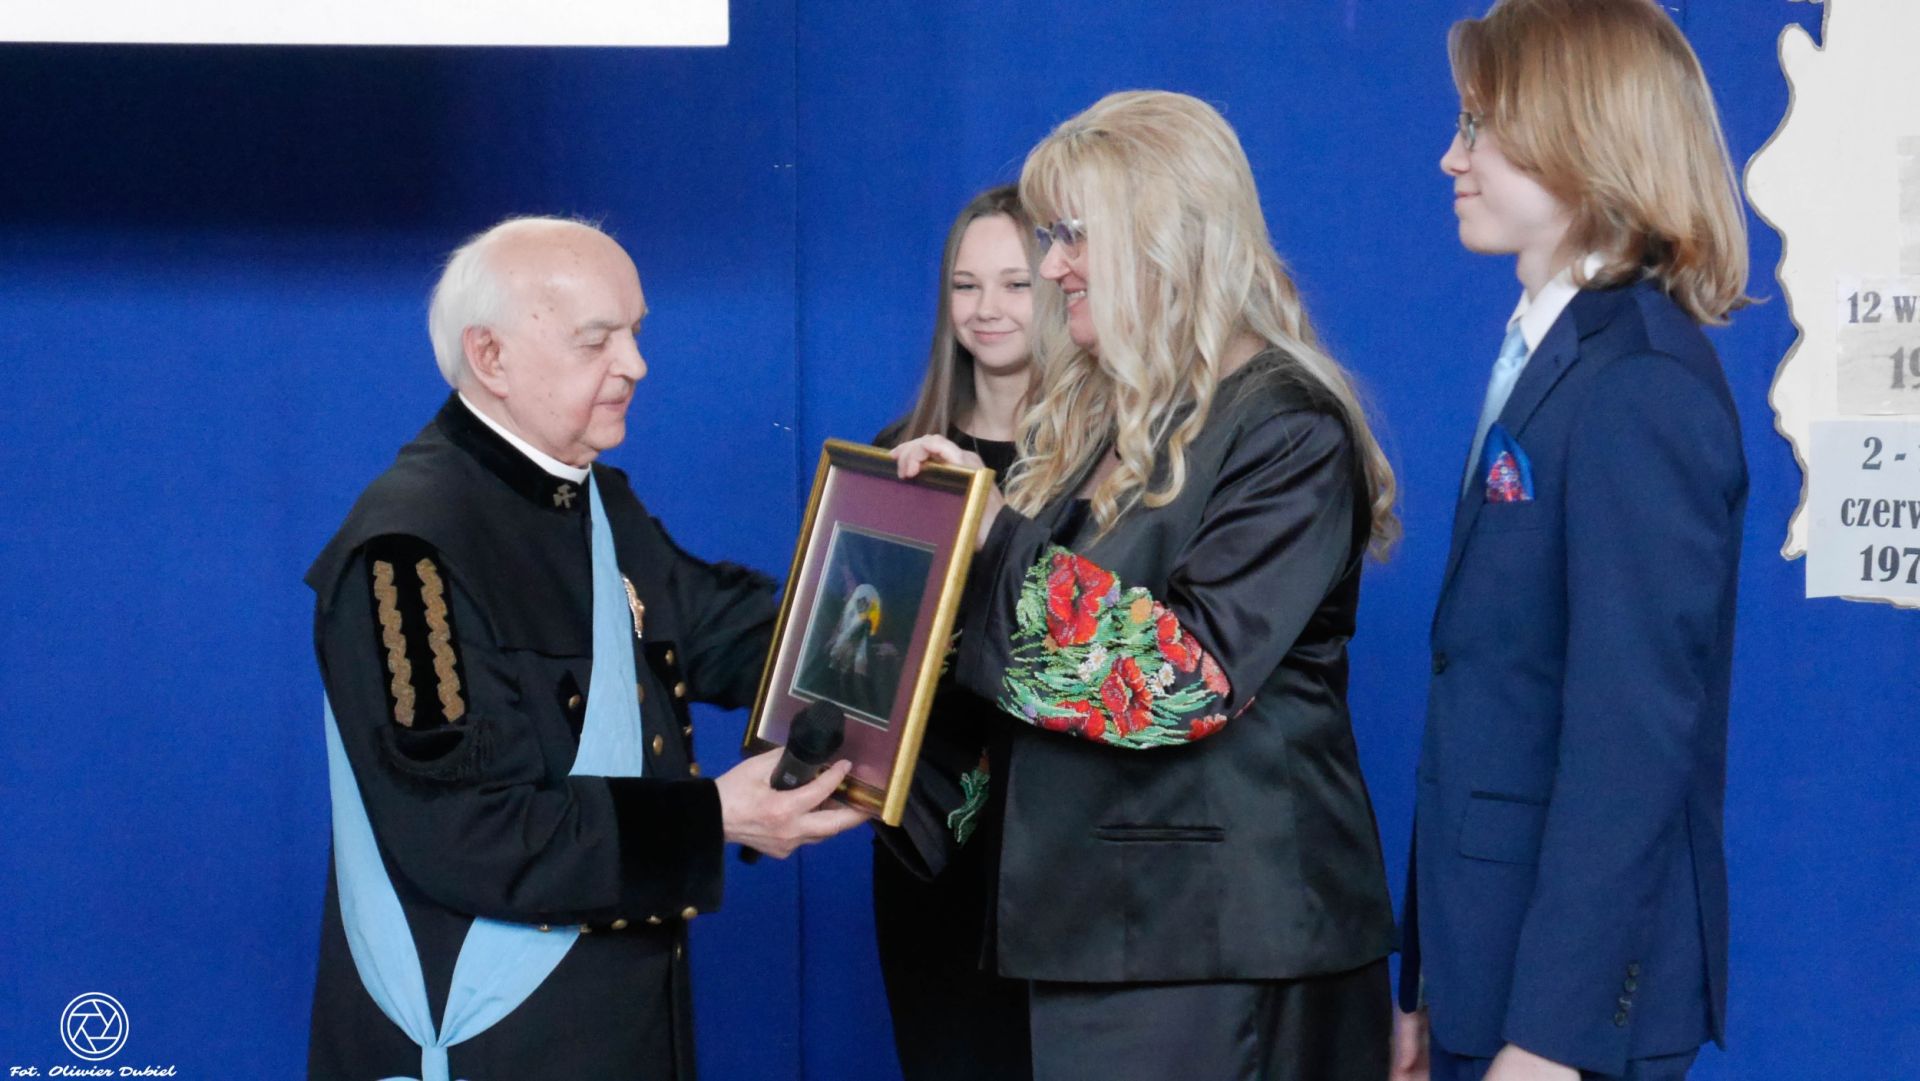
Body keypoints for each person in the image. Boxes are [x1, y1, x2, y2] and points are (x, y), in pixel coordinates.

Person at [894, 91, 1401, 1081]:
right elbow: (1024, 667)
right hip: (1102, 934)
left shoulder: (1287, 425)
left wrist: (989, 534)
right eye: (1052, 236)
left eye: (1074, 235)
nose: (1053, 267)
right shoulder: (1110, 417)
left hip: (1222, 951)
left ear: (1167, 238)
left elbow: (1179, 681)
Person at [304, 216, 866, 1081]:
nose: (636, 364)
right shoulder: (405, 556)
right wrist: (716, 816)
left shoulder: (599, 500)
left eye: (635, 332)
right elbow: (468, 833)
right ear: (490, 357)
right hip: (493, 1044)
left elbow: (733, 633)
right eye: (597, 340)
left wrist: (912, 561)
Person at [1391, 3, 1750, 1080]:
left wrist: (1551, 1036)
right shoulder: (1556, 355)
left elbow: (1630, 746)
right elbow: (1488, 699)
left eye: (1478, 125)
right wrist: (1427, 980)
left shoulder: (1638, 384)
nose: (1450, 156)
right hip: (1484, 969)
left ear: (1578, 137)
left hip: (1562, 1014)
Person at [869, 184, 1040, 1081]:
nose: (987, 309)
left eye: (1015, 283)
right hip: (932, 841)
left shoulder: (1110, 461)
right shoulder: (903, 454)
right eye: (966, 285)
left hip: (1056, 838)